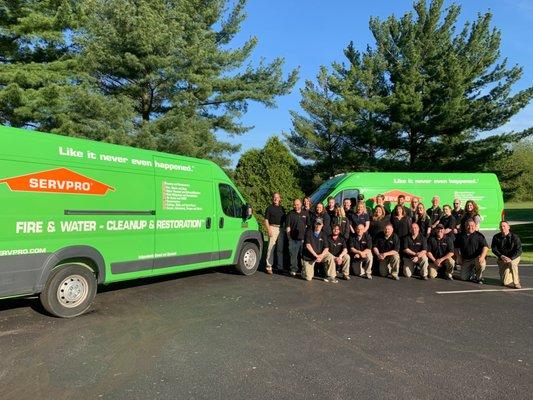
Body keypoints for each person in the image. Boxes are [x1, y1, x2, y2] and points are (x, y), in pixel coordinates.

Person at [302, 218, 336, 283]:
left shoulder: (323, 234)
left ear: (322, 225)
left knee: (330, 257)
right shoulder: (309, 232)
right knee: (308, 278)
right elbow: (308, 245)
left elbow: (326, 248)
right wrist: (316, 256)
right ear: (314, 224)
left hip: (320, 254)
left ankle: (331, 276)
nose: (318, 226)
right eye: (317, 224)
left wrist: (321, 255)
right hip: (310, 256)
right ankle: (303, 271)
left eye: (319, 224)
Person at [456, 219, 489, 283]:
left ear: (475, 226)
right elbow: (456, 247)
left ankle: (479, 277)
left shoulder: (479, 235)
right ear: (465, 226)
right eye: (468, 225)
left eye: (472, 225)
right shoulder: (460, 235)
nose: (470, 227)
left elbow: (485, 247)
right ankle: (472, 272)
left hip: (477, 258)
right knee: (463, 278)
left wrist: (482, 257)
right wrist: (458, 257)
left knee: (481, 264)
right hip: (466, 260)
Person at [491, 221, 523, 289]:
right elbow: (494, 249)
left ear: (508, 227)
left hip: (514, 257)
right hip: (502, 258)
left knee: (512, 263)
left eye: (504, 226)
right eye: (501, 226)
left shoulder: (515, 237)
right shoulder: (496, 237)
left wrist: (511, 258)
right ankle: (512, 274)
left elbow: (519, 250)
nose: (502, 228)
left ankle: (516, 282)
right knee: (505, 282)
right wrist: (501, 256)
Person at [286, 199, 311, 277]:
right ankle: (293, 269)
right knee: (293, 256)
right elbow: (288, 227)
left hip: (303, 239)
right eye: (294, 205)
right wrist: (289, 238)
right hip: (293, 239)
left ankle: (304, 270)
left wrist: (307, 238)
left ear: (301, 204)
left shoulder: (305, 213)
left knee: (303, 256)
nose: (295, 206)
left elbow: (308, 226)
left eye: (297, 204)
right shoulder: (290, 214)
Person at [264, 192, 286, 275]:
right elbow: (266, 220)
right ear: (273, 198)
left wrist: (284, 229)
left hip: (281, 229)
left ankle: (280, 267)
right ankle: (269, 266)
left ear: (280, 199)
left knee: (280, 249)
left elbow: (284, 220)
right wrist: (269, 230)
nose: (276, 199)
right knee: (271, 248)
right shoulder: (269, 208)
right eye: (274, 197)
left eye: (277, 197)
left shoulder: (282, 208)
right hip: (272, 228)